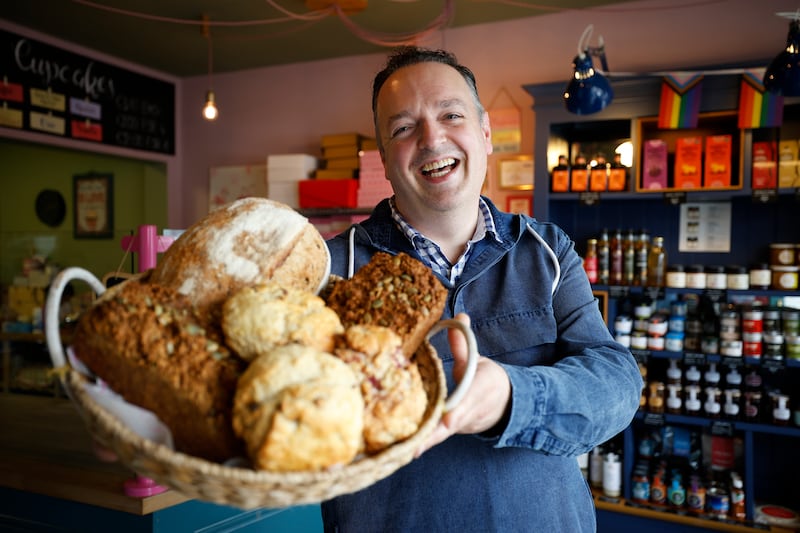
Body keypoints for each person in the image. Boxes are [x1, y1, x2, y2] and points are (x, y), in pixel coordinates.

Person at [322, 46, 642, 532]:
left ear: (485, 132)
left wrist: (515, 397)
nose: (432, 139)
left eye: (451, 114)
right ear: (385, 159)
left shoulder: (547, 250)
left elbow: (616, 384)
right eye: (404, 128)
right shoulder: (330, 269)